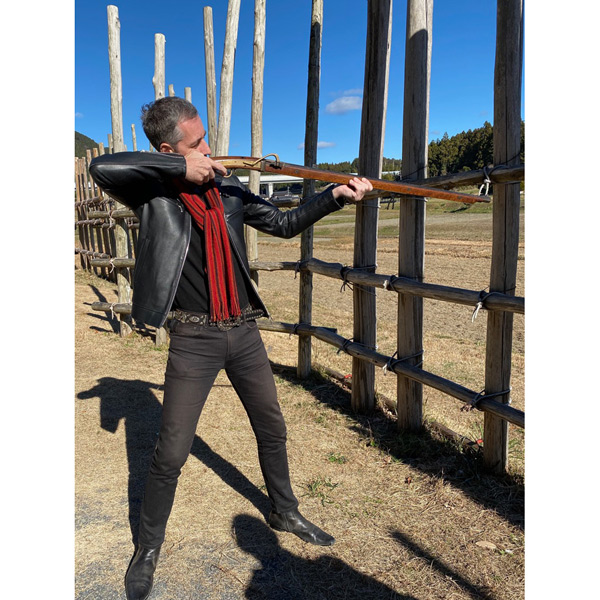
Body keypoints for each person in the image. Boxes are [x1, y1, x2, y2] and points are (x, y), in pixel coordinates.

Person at [89, 96, 372, 600]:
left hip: (243, 332)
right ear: (166, 149)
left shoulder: (228, 187)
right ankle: (148, 549)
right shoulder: (151, 192)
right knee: (171, 453)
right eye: (196, 144)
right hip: (193, 338)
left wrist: (334, 196)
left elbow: (283, 223)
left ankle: (284, 512)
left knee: (272, 425)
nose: (209, 150)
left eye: (205, 140)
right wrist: (180, 166)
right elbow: (100, 166)